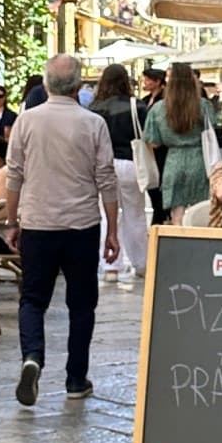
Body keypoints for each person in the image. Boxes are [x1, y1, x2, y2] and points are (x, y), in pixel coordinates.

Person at [1, 52, 120, 404]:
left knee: (33, 299)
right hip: (82, 225)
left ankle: (33, 356)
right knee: (81, 304)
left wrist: (12, 222)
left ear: (46, 83)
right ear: (80, 85)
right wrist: (112, 230)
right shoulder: (92, 123)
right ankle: (75, 378)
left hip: (38, 223)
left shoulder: (26, 121)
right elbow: (106, 180)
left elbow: (13, 176)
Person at [88, 61, 149, 287]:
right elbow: (147, 136)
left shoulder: (94, 108)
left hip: (103, 165)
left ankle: (110, 265)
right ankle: (141, 264)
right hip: (132, 163)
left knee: (105, 215)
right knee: (135, 213)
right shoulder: (137, 105)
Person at [140, 58, 219, 221]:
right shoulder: (203, 106)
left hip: (173, 161)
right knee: (200, 211)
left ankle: (179, 241)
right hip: (199, 161)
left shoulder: (158, 109)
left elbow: (153, 142)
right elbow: (212, 131)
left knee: (177, 212)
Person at [138, 62, 171, 221]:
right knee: (152, 184)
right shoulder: (144, 100)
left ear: (158, 81)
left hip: (161, 148)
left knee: (159, 187)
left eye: (148, 80)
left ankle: (160, 218)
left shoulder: (164, 100)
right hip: (149, 148)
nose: (145, 83)